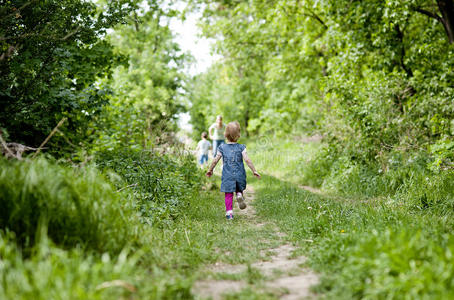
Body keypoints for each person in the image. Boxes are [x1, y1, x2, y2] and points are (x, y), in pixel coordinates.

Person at [206, 121, 261, 220]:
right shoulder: (241, 147)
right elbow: (247, 160)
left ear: (225, 135)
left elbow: (215, 160)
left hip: (227, 175)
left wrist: (210, 169)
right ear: (238, 135)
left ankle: (229, 214)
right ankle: (239, 194)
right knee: (238, 187)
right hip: (239, 173)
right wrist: (254, 170)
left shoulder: (222, 147)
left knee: (228, 194)